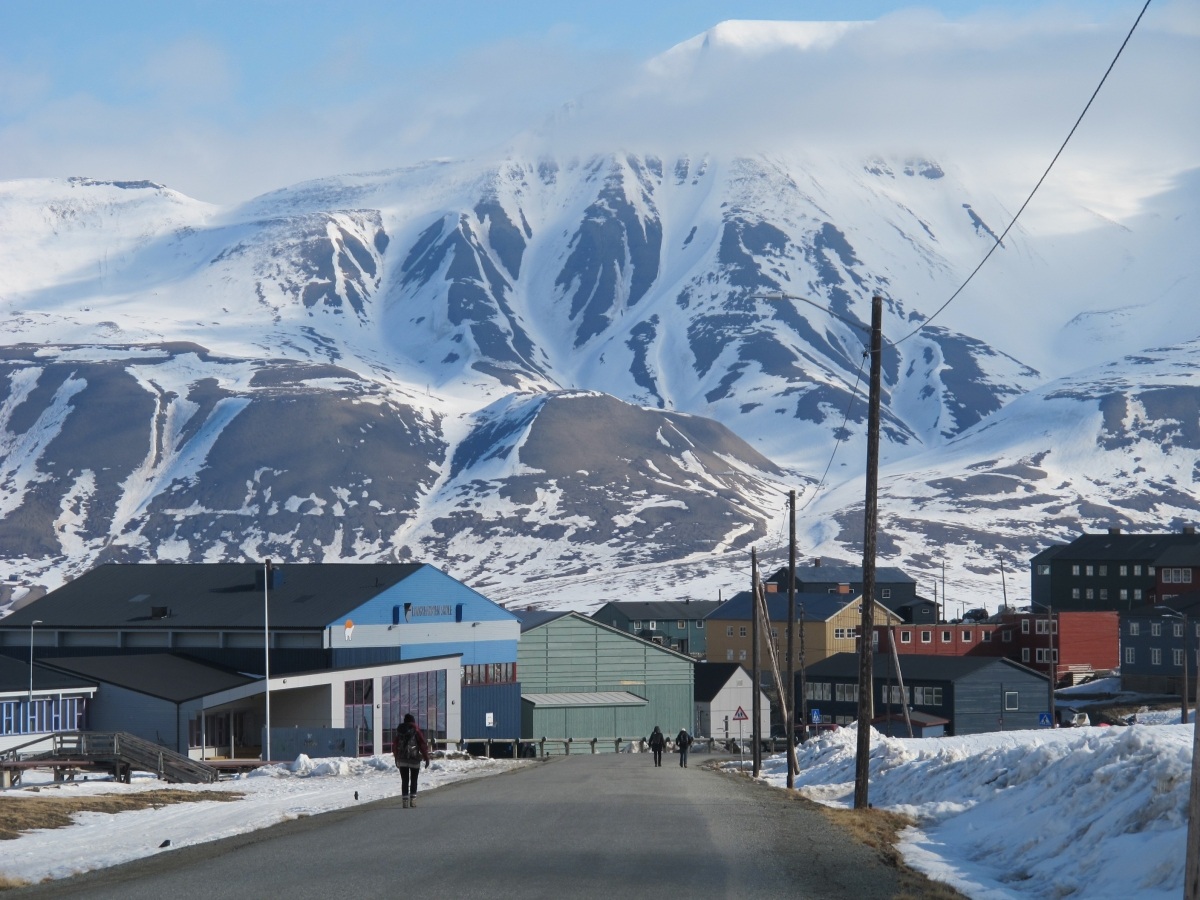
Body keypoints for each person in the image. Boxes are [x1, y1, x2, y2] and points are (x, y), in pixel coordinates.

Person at [393, 713, 431, 808]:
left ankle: (405, 802)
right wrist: (426, 758)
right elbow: (422, 744)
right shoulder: (416, 730)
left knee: (404, 780)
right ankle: (413, 801)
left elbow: (395, 745)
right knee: (414, 779)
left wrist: (396, 757)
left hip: (402, 758)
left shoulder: (399, 731)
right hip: (414, 758)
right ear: (413, 721)